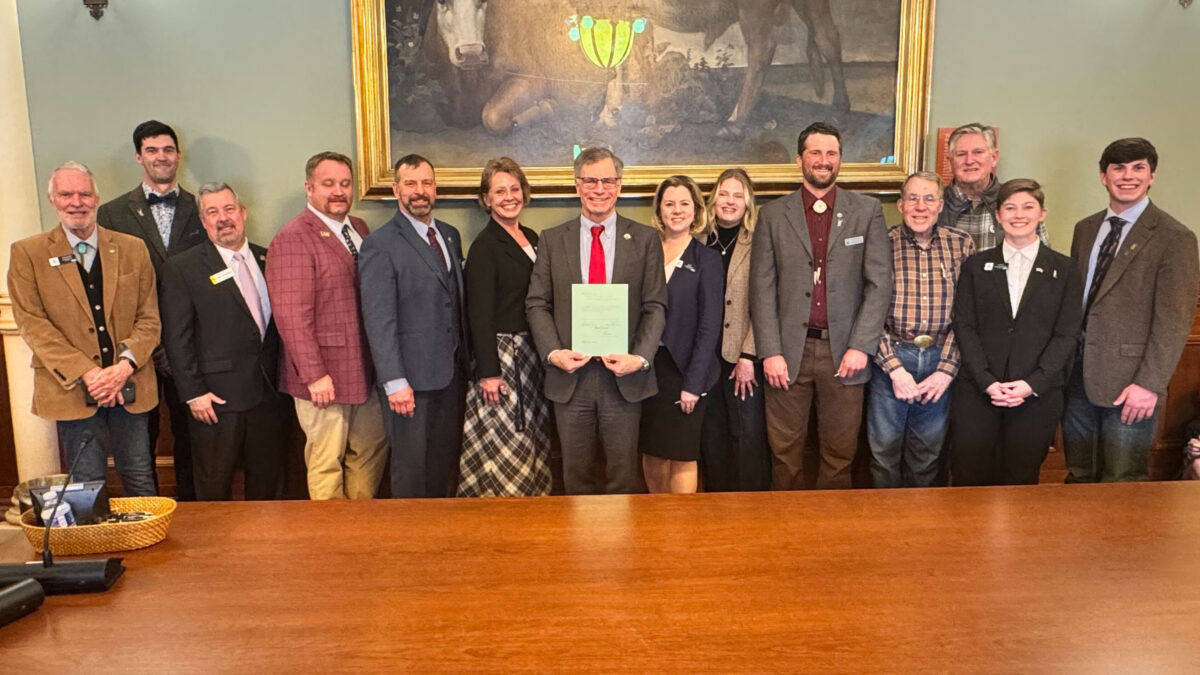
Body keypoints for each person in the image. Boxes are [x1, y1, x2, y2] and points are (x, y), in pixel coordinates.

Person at [750, 122, 892, 490]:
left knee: (840, 453)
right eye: (815, 152)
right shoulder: (773, 215)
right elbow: (762, 288)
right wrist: (770, 351)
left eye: (831, 153)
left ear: (840, 160)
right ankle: (786, 533)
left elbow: (879, 284)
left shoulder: (867, 211)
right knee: (784, 452)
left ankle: (832, 535)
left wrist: (862, 345)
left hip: (844, 352)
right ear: (800, 159)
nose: (823, 160)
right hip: (787, 354)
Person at [8, 162, 159, 495]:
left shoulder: (132, 248)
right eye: (66, 194)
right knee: (86, 482)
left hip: (130, 384)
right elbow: (33, 324)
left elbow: (149, 318)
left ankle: (149, 544)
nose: (76, 201)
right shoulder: (27, 254)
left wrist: (121, 369)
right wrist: (89, 374)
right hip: (71, 389)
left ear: (96, 198)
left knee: (139, 474)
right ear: (53, 200)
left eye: (84, 193)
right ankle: (91, 547)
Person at [525, 147, 667, 495]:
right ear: (577, 186)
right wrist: (553, 352)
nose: (599, 188)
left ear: (619, 185)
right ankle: (579, 550)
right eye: (590, 180)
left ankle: (622, 550)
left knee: (623, 477)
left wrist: (640, 357)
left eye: (607, 180)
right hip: (571, 377)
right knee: (576, 478)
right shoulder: (553, 239)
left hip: (624, 377)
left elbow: (655, 306)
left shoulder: (646, 240)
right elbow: (537, 303)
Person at [1063, 137, 1200, 483]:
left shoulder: (1175, 237)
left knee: (1122, 479)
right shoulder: (1086, 229)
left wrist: (1148, 383)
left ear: (1151, 175)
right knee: (1079, 474)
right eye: (1118, 168)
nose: (1128, 176)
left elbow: (1174, 320)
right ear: (1103, 176)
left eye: (1138, 167)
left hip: (1131, 384)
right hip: (1077, 375)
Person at [265, 152, 388, 500]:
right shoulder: (293, 238)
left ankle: (358, 534)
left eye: (345, 184)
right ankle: (332, 544)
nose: (338, 191)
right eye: (328, 183)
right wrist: (314, 374)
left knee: (368, 455)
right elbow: (291, 315)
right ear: (309, 188)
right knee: (326, 464)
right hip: (324, 379)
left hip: (366, 370)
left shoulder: (359, 228)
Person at [97, 120, 205, 500]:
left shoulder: (201, 208)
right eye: (153, 150)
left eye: (168, 150)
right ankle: (145, 509)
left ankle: (192, 509)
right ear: (138, 157)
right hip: (136, 343)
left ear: (178, 155)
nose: (162, 157)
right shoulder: (110, 214)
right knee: (139, 432)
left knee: (191, 429)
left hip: (190, 340)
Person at [160, 182, 289, 501]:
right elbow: (177, 337)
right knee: (214, 488)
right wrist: (193, 393)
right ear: (203, 221)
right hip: (215, 400)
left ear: (243, 213)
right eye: (212, 212)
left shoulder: (267, 257)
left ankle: (266, 549)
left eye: (229, 209)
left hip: (268, 397)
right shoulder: (183, 267)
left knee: (267, 485)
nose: (223, 218)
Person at [950, 179, 1081, 485]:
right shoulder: (975, 265)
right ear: (998, 215)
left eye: (1027, 207)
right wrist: (986, 381)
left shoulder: (1065, 269)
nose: (1018, 214)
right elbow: (964, 325)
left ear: (1042, 213)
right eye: (1010, 207)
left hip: (1035, 396)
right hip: (978, 393)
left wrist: (1032, 383)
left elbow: (1066, 334)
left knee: (1020, 481)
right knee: (969, 477)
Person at [360, 154, 470, 499]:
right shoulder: (380, 244)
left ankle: (438, 543)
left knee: (441, 464)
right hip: (409, 381)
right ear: (396, 190)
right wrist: (394, 382)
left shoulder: (449, 235)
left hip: (450, 375)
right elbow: (379, 319)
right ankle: (409, 545)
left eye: (426, 183)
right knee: (411, 471)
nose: (419, 191)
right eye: (410, 183)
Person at [868, 172, 974, 488]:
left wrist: (946, 369)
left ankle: (921, 527)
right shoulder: (881, 244)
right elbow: (868, 312)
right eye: (913, 198)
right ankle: (884, 529)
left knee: (928, 454)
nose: (920, 206)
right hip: (891, 358)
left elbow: (969, 315)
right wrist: (894, 369)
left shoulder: (961, 244)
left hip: (941, 359)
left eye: (929, 198)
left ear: (940, 205)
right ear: (900, 204)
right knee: (883, 452)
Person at [458, 158, 553, 497]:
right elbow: (478, 314)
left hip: (533, 353)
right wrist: (489, 373)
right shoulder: (485, 248)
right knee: (507, 438)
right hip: (502, 358)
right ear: (486, 199)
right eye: (499, 191)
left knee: (534, 434)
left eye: (514, 189)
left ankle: (536, 509)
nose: (509, 197)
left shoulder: (531, 237)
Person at [639, 176, 723, 494]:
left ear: (696, 210)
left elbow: (709, 326)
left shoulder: (708, 260)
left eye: (684, 203)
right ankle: (658, 527)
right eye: (669, 203)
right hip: (646, 369)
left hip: (686, 370)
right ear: (659, 210)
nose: (677, 210)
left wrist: (693, 384)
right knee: (652, 450)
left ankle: (681, 531)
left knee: (682, 454)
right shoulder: (644, 252)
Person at [697, 168, 771, 492]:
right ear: (713, 199)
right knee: (711, 437)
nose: (730, 202)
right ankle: (717, 510)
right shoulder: (696, 239)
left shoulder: (758, 242)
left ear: (748, 203)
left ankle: (752, 512)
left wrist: (748, 355)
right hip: (704, 358)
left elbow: (766, 302)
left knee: (747, 436)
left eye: (738, 196)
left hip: (743, 357)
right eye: (724, 194)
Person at [937, 122, 1047, 250]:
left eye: (978, 152)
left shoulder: (1019, 204)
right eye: (961, 154)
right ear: (950, 162)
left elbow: (1044, 261)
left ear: (994, 157)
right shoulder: (933, 205)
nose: (969, 161)